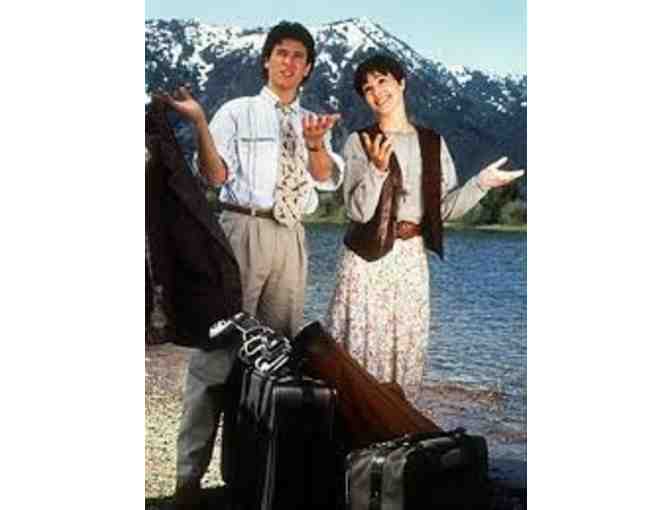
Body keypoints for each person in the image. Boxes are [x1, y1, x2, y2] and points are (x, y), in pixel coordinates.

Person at [156, 21, 344, 509]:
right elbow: (214, 175)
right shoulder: (236, 111)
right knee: (215, 357)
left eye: (299, 56)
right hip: (241, 229)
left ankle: (252, 478)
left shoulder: (314, 122)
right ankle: (187, 483)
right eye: (281, 53)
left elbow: (326, 181)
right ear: (266, 59)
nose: (289, 62)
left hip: (291, 237)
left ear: (308, 67)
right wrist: (200, 123)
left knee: (275, 360)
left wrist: (317, 145)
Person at [325, 54, 523, 405]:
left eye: (383, 81)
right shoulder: (359, 142)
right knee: (361, 354)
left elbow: (442, 211)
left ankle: (397, 430)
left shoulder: (433, 143)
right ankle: (351, 430)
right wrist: (377, 170)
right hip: (365, 261)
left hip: (411, 259)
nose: (377, 92)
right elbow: (357, 211)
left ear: (401, 83)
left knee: (407, 349)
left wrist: (481, 183)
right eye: (368, 88)